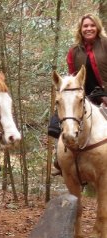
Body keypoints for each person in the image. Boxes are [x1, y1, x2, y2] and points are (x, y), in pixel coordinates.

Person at [49, 13, 107, 175]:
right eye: (85, 26)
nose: (89, 29)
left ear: (97, 27)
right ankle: (60, 157)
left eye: (92, 25)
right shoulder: (74, 51)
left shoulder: (105, 44)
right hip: (83, 95)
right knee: (60, 119)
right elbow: (72, 75)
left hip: (105, 93)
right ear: (80, 30)